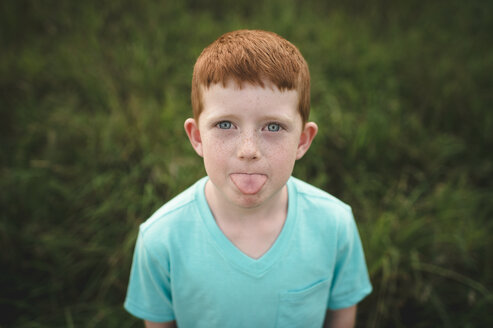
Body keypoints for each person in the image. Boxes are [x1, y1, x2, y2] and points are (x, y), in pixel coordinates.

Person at [124, 29, 372, 328]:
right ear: (197, 137)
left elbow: (342, 316)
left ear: (303, 140)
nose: (248, 151)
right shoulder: (161, 239)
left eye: (273, 127)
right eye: (226, 124)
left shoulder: (334, 225)